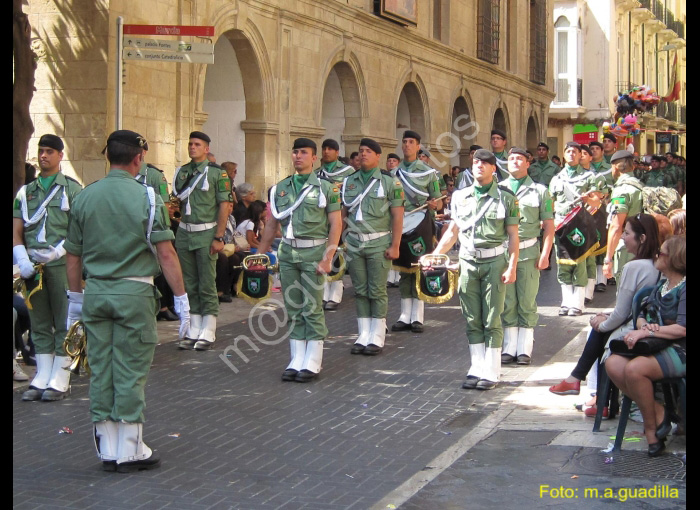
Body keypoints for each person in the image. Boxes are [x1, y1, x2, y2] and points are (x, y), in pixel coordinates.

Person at [64, 129, 190, 472]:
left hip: (96, 293)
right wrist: (181, 300)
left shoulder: (85, 197)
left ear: (109, 157)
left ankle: (108, 446)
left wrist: (75, 300)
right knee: (131, 370)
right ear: (138, 158)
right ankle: (131, 448)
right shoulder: (147, 198)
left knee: (101, 369)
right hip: (134, 293)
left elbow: (72, 257)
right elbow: (166, 254)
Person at [548, 214, 661, 411]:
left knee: (601, 332)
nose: (623, 237)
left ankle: (592, 393)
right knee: (602, 327)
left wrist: (601, 323)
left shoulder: (633, 267)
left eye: (627, 233)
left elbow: (623, 312)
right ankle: (588, 389)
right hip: (641, 320)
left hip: (636, 326)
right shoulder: (657, 264)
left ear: (642, 238)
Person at [432, 149, 520, 390]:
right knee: (471, 317)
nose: (479, 166)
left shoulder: (506, 197)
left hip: (494, 261)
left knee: (492, 317)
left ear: (494, 169)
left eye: (485, 163)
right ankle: (476, 366)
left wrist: (512, 266)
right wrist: (436, 254)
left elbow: (513, 236)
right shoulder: (460, 197)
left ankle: (492, 370)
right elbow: (452, 231)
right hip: (468, 261)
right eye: (475, 162)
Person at [257, 138, 342, 382]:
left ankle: (313, 360)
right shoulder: (280, 188)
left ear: (314, 158)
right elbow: (272, 225)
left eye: (304, 152)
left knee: (312, 307)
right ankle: (296, 357)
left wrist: (329, 257)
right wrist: (260, 256)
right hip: (287, 252)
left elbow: (336, 224)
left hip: (314, 251)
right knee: (293, 307)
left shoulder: (327, 188)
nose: (298, 156)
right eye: (295, 152)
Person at [13, 134, 83, 401]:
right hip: (32, 266)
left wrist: (59, 251)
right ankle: (42, 375)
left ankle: (61, 376)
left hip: (62, 264)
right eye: (41, 151)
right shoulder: (25, 192)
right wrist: (21, 259)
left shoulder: (72, 189)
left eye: (49, 151)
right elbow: (16, 230)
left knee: (64, 321)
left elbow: (78, 229)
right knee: (39, 322)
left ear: (60, 155)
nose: (44, 156)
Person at [604, 235, 685, 457]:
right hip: (656, 345)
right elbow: (641, 314)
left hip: (680, 349)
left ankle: (651, 431)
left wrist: (646, 331)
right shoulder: (661, 285)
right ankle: (659, 414)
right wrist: (643, 327)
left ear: (674, 258)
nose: (657, 255)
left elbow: (682, 329)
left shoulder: (684, 288)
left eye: (662, 253)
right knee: (613, 363)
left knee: (635, 369)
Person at [341, 138, 404, 355]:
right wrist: (343, 240)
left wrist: (395, 245)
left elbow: (397, 216)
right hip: (355, 243)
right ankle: (363, 333)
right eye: (360, 151)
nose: (363, 155)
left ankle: (376, 334)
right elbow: (343, 214)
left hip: (379, 242)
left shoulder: (389, 182)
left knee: (376, 290)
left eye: (368, 151)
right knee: (360, 290)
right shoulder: (349, 182)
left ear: (378, 156)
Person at [172, 131, 233, 350]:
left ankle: (209, 327)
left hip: (207, 232)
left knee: (207, 281)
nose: (192, 147)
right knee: (189, 282)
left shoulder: (218, 174)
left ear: (206, 148)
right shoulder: (182, 172)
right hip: (185, 232)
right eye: (190, 144)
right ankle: (194, 326)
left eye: (197, 144)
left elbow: (224, 205)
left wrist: (219, 236)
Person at [500, 148, 554, 366]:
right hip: (503, 252)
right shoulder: (498, 189)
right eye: (511, 159)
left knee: (527, 300)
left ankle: (524, 348)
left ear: (527, 163)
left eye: (519, 159)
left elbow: (549, 227)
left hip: (529, 251)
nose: (514, 162)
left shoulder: (540, 191)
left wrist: (545, 254)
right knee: (507, 301)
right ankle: (509, 346)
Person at [391, 130, 443, 333]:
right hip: (400, 224)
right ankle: (404, 315)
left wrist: (432, 204)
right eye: (404, 142)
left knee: (419, 268)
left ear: (418, 146)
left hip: (421, 224)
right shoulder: (395, 173)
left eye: (411, 142)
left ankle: (418, 316)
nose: (406, 145)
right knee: (404, 269)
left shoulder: (429, 173)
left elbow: (438, 203)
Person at [548, 142, 606, 316]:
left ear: (581, 154)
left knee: (579, 263)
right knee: (562, 264)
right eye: (568, 151)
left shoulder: (589, 177)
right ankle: (566, 301)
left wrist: (587, 200)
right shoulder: (557, 179)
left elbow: (598, 202)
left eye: (575, 151)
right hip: (561, 226)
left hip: (581, 226)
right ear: (564, 155)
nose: (571, 154)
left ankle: (578, 303)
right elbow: (551, 204)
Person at [317, 138, 355, 311]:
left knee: (337, 253)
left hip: (340, 216)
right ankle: (323, 293)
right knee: (322, 253)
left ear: (337, 152)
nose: (326, 151)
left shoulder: (348, 172)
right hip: (321, 219)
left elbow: (353, 195)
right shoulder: (317, 172)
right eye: (324, 148)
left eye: (330, 149)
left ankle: (336, 294)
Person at [602, 150, 645, 283]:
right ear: (632, 166)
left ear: (614, 167)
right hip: (644, 244)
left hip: (628, 247)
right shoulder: (640, 185)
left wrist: (608, 258)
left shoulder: (621, 190)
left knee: (625, 288)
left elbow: (616, 226)